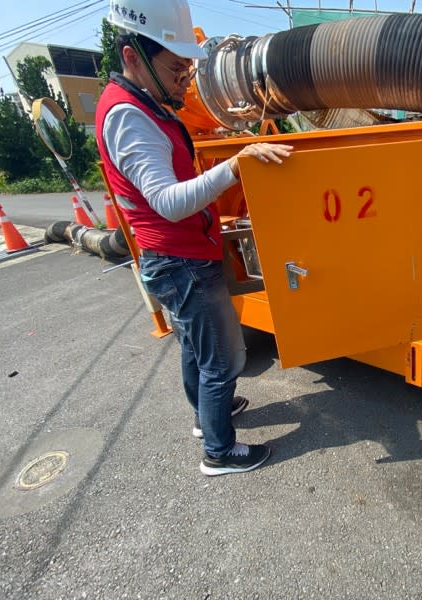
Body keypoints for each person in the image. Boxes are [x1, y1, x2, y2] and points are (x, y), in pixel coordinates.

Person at [95, 0, 292, 476]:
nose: (186, 77)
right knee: (223, 360)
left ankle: (207, 421)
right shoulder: (130, 116)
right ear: (132, 57)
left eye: (189, 67)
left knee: (194, 347)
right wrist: (236, 164)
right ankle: (220, 453)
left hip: (176, 256)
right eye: (176, 67)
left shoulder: (145, 104)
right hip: (180, 261)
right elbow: (167, 200)